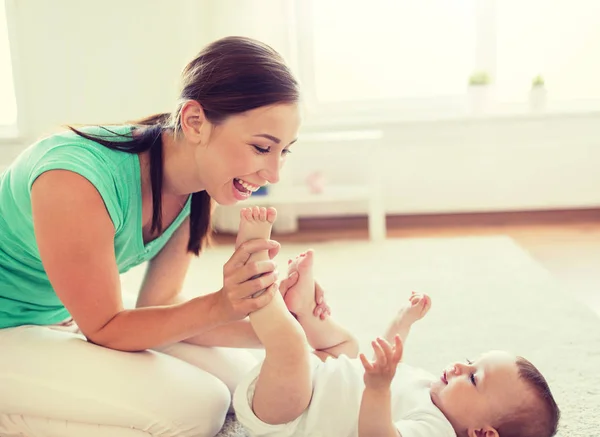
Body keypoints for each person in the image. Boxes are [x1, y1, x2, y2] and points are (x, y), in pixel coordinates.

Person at [0, 36, 328, 437]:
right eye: (262, 148)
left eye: (284, 152)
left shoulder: (191, 185)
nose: (273, 174)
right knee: (197, 410)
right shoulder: (72, 179)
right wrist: (225, 303)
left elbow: (161, 305)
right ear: (194, 122)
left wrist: (282, 324)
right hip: (9, 329)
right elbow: (105, 328)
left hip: (54, 320)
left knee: (242, 380)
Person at [232, 206, 561, 437]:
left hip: (288, 413)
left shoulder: (436, 429)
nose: (461, 367)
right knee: (347, 345)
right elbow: (384, 358)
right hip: (316, 377)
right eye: (471, 362)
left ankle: (254, 264)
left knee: (289, 345)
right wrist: (404, 321)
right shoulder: (431, 389)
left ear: (482, 433)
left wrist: (377, 389)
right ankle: (302, 310)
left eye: (474, 378)